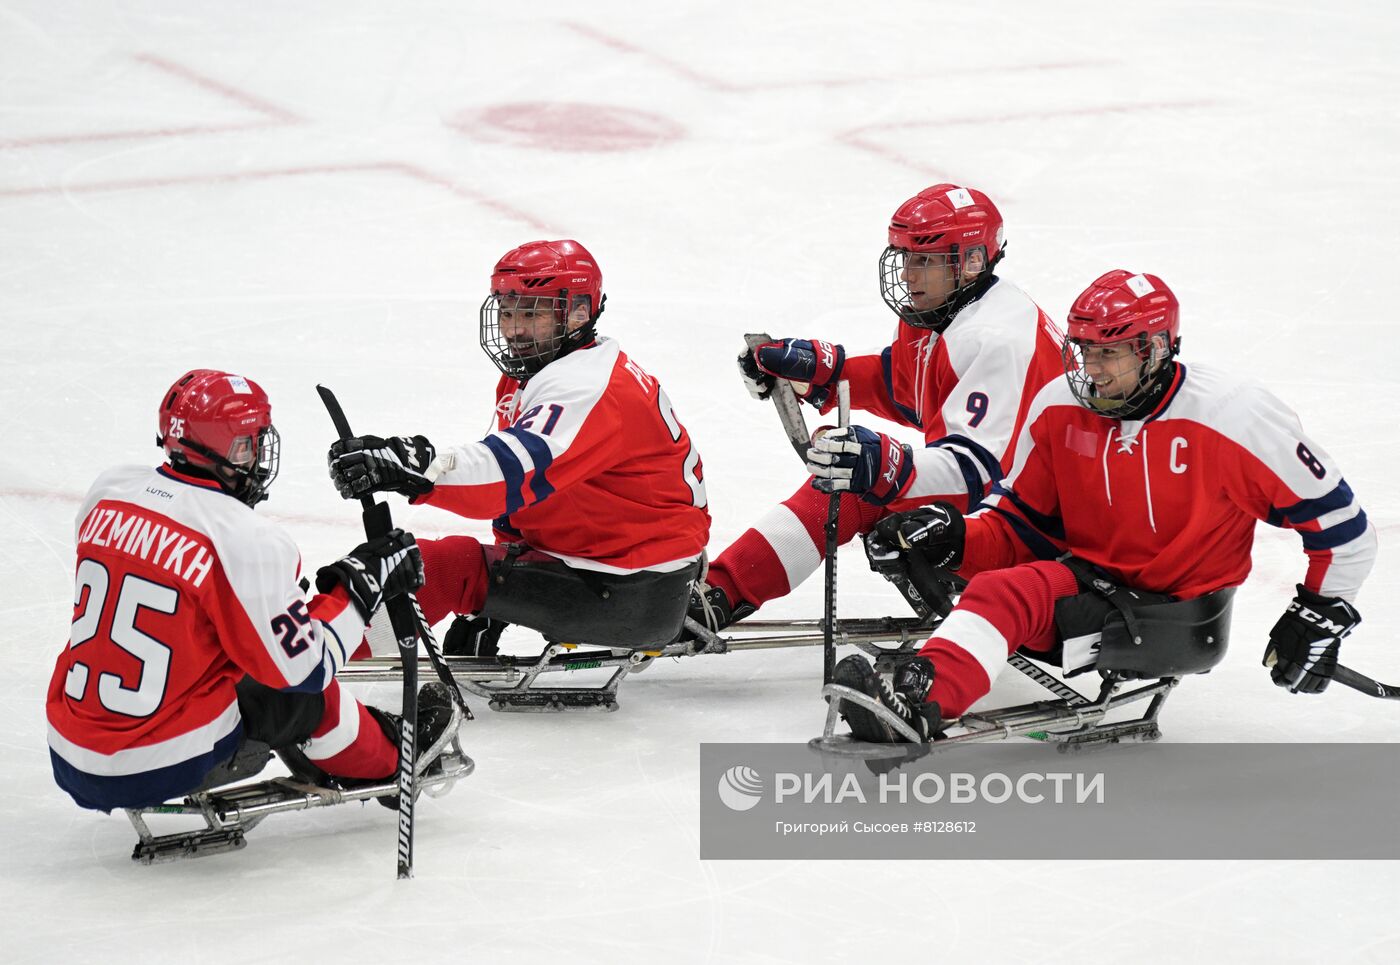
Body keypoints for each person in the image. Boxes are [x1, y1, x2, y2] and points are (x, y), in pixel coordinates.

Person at [834, 270, 1379, 742]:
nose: (1091, 369)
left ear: (1156, 349)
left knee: (1006, 595)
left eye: (1110, 353)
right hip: (1093, 583)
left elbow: (1345, 531)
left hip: (1180, 615)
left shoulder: (1233, 417)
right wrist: (954, 537)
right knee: (982, 577)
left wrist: (1317, 618)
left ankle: (916, 702)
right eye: (1085, 350)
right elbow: (1022, 526)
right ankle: (923, 686)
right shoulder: (1058, 408)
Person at [46, 370, 447, 812]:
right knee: (301, 696)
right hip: (156, 760)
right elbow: (307, 669)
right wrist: (360, 585)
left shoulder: (110, 489)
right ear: (231, 449)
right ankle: (393, 760)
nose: (256, 457)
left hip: (70, 750)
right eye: (250, 444)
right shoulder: (242, 536)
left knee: (237, 649)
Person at [689, 184, 1067, 633]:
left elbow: (980, 471)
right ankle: (719, 592)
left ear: (970, 263)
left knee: (851, 488)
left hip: (1035, 535)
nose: (908, 276)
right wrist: (821, 372)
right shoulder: (946, 311)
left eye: (924, 261)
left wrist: (885, 466)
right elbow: (905, 388)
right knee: (854, 482)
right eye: (905, 258)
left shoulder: (1000, 339)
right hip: (1002, 505)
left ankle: (720, 594)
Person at [327, 240, 710, 652]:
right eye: (507, 312)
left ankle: (307, 674)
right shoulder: (543, 368)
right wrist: (491, 606)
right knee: (431, 565)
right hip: (621, 566)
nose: (512, 329)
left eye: (531, 313)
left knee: (424, 569)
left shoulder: (585, 387)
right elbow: (526, 496)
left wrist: (416, 468)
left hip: (631, 590)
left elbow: (504, 477)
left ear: (578, 312)